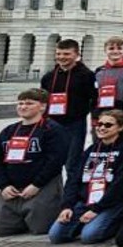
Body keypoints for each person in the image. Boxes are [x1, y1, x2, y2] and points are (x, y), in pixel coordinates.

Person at [49, 109, 123, 244]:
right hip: (86, 201)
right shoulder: (92, 149)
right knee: (56, 236)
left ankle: (119, 222)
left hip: (112, 203)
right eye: (99, 124)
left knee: (89, 237)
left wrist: (97, 210)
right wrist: (67, 206)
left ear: (120, 127)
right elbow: (74, 179)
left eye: (108, 125)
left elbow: (122, 184)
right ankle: (84, 223)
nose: (102, 128)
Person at [0, 88, 70, 237]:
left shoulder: (52, 130)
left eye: (29, 103)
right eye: (20, 103)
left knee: (40, 229)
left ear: (43, 106)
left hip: (41, 185)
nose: (23, 107)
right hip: (13, 187)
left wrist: (37, 185)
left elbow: (55, 161)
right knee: (0, 230)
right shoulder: (9, 131)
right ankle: (21, 217)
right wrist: (3, 185)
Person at [40, 39, 97, 183]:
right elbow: (42, 100)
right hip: (52, 123)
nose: (61, 57)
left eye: (66, 54)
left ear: (76, 55)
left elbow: (94, 99)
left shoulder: (87, 75)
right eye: (58, 54)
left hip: (74, 123)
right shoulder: (49, 77)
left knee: (72, 163)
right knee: (50, 160)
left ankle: (71, 196)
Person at [94, 37, 123, 114]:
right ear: (105, 50)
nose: (115, 51)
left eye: (119, 48)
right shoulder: (99, 70)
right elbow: (94, 94)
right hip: (102, 112)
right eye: (111, 48)